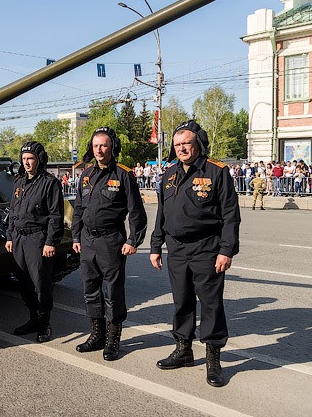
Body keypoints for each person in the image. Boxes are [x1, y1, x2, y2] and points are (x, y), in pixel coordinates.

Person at [149, 120, 240, 387]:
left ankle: (213, 359)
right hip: (176, 249)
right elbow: (162, 213)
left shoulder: (217, 172)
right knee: (182, 301)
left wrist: (226, 250)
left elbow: (230, 215)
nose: (182, 148)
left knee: (211, 304)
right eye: (177, 144)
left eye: (186, 143)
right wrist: (155, 246)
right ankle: (183, 349)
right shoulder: (169, 174)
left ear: (197, 143)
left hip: (206, 248)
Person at [71, 127, 147, 361]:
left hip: (111, 241)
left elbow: (136, 212)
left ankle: (113, 340)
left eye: (103, 145)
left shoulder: (123, 175)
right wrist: (76, 237)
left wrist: (133, 240)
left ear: (112, 147)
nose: (99, 150)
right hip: (87, 240)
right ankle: (97, 335)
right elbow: (78, 209)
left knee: (113, 292)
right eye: (95, 146)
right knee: (90, 290)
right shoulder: (86, 175)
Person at [5, 141, 64, 342]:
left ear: (40, 159)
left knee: (41, 283)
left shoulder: (50, 183)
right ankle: (33, 318)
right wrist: (10, 236)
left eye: (30, 158)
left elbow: (55, 215)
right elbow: (13, 211)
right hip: (19, 239)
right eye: (24, 159)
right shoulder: (19, 183)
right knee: (24, 282)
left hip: (38, 239)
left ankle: (44, 324)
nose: (27, 162)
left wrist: (50, 241)